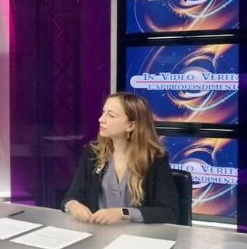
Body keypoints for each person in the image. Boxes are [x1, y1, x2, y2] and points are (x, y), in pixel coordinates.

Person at [61, 92, 179, 225]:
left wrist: (123, 213)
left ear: (131, 125)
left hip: (138, 235)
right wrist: (73, 205)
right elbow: (70, 197)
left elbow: (169, 212)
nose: (101, 119)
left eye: (111, 115)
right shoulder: (93, 154)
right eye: (104, 112)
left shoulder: (155, 159)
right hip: (98, 233)